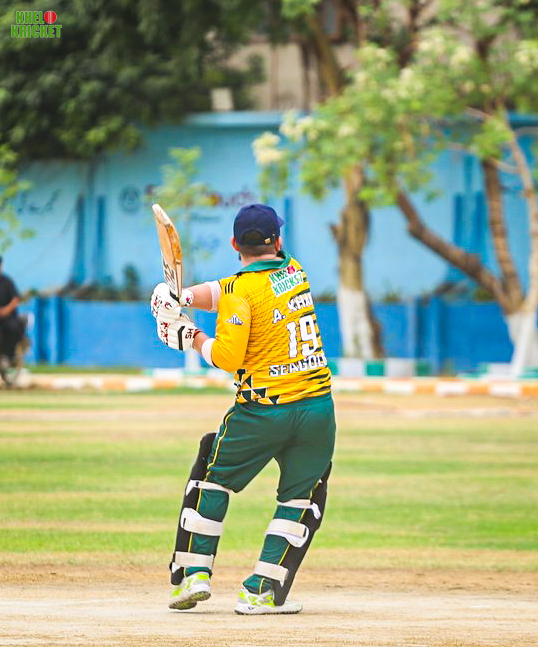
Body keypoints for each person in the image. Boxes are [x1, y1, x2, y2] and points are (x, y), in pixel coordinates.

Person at [151, 204, 336, 615]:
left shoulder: (239, 294)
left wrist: (188, 334)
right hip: (317, 410)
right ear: (278, 241)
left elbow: (227, 356)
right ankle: (261, 592)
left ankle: (194, 575)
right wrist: (183, 296)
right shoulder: (295, 271)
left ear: (235, 244)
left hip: (262, 412)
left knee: (211, 478)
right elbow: (228, 290)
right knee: (302, 497)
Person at [0, 256, 23, 367]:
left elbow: (15, 299)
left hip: (6, 317)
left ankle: (8, 356)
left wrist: (6, 310)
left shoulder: (7, 282)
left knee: (13, 328)